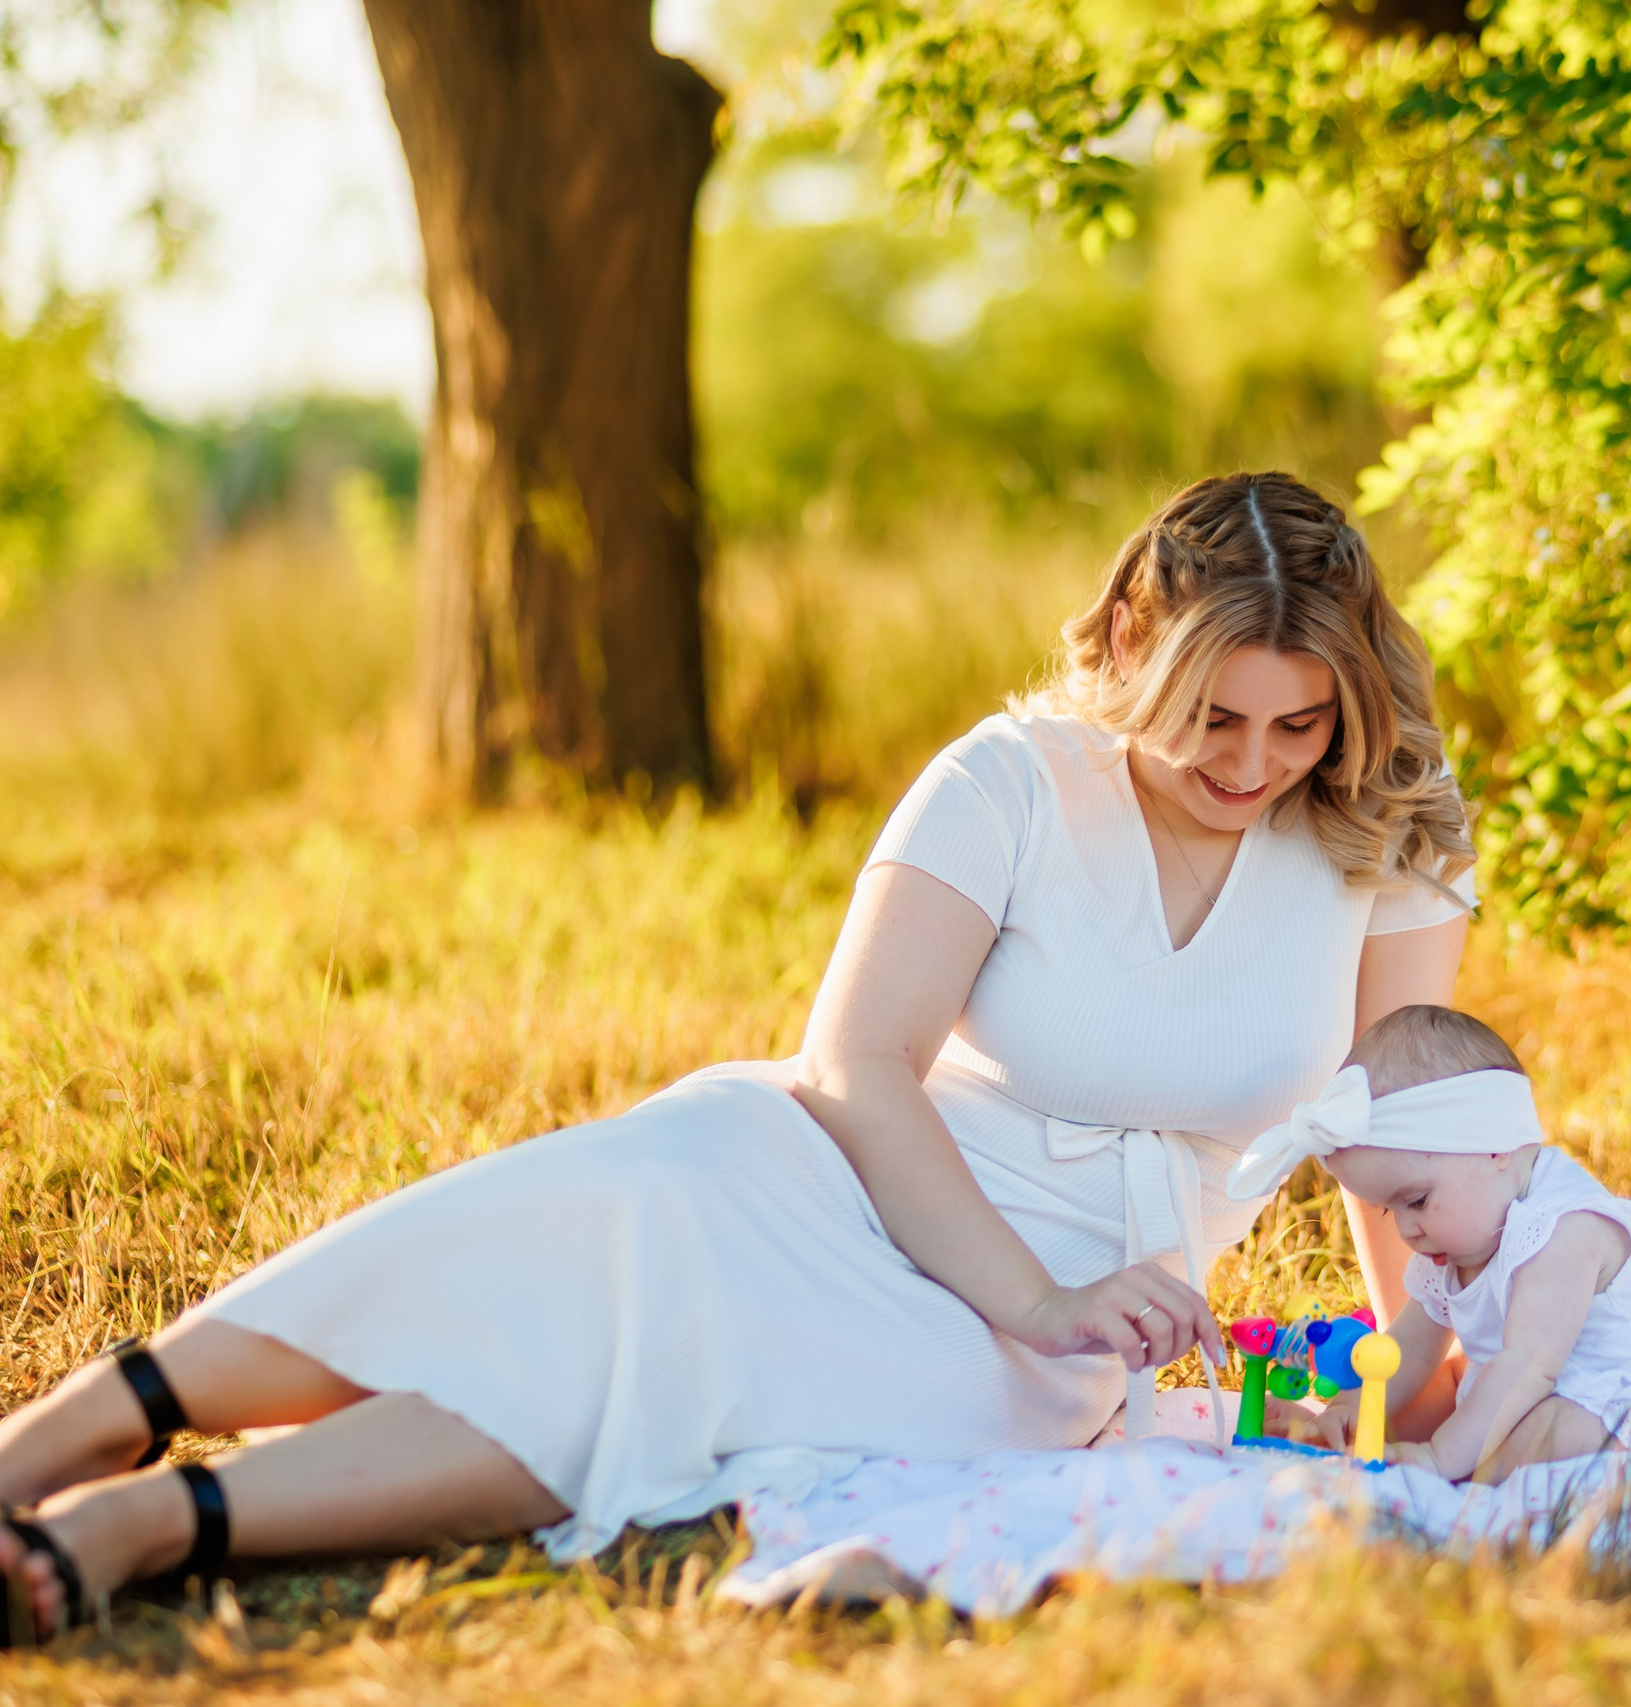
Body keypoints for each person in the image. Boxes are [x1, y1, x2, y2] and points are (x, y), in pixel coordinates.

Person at [0, 472, 1474, 1644]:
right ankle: (75, 1429)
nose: (1248, 764)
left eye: (1297, 723)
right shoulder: (1010, 781)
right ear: (1133, 648)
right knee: (619, 1206)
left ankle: (155, 1524)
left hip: (1053, 1340)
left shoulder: (1390, 827)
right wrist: (1030, 1291)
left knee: (667, 1378)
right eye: (1210, 719)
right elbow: (858, 1062)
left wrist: (1415, 1351)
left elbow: (1401, 1117)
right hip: (849, 1172)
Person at [1227, 1005, 1631, 1482]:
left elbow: (1527, 1366)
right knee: (1439, 1396)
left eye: (1416, 1200)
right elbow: (1409, 1348)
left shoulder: (1562, 1232)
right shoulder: (1453, 1247)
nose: (1407, 1230)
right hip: (1563, 1382)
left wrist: (1442, 1458)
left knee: (1537, 1434)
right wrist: (1349, 1409)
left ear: (1495, 1146)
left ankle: (1446, 1477)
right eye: (1390, 1210)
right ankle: (1359, 1443)